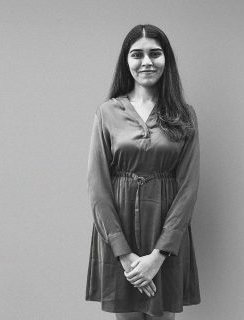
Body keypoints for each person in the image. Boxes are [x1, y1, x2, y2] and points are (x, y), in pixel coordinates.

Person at [86, 24, 201, 320]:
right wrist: (124, 255)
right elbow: (98, 187)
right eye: (137, 54)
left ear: (167, 60)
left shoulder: (183, 114)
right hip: (118, 230)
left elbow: (188, 187)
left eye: (155, 53)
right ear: (127, 61)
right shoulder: (108, 112)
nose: (146, 61)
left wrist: (159, 255)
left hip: (166, 232)